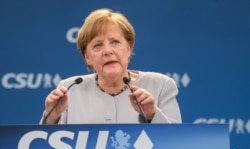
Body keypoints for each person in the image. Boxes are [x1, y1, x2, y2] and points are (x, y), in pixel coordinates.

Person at [40, 8, 182, 124]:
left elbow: (176, 144)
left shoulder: (160, 85)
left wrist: (152, 114)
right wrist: (52, 118)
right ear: (87, 57)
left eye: (115, 42)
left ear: (129, 49)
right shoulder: (70, 89)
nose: (108, 51)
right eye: (98, 45)